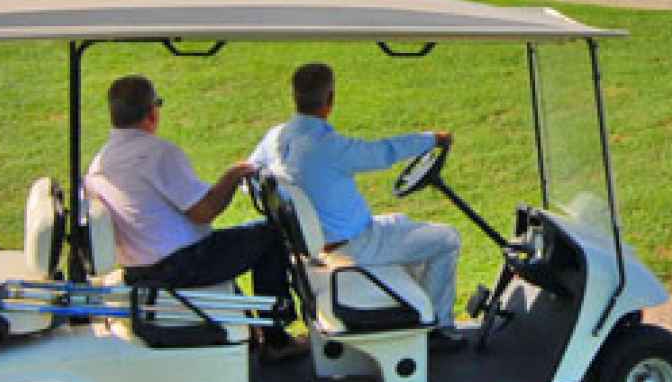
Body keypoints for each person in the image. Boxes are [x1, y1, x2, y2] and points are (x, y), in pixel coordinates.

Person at [86, 74, 307, 363]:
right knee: (268, 234)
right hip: (179, 265)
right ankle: (277, 336)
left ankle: (255, 333)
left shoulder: (100, 161)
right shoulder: (158, 154)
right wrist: (233, 175)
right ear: (152, 112)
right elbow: (204, 211)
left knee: (230, 244)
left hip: (142, 268)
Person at [251, 62, 466, 352]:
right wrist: (432, 139)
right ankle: (438, 327)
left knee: (401, 221)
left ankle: (415, 313)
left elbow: (250, 179)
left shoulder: (275, 138)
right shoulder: (327, 145)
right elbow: (383, 152)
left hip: (321, 244)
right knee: (446, 239)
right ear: (330, 100)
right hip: (356, 247)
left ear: (295, 97)